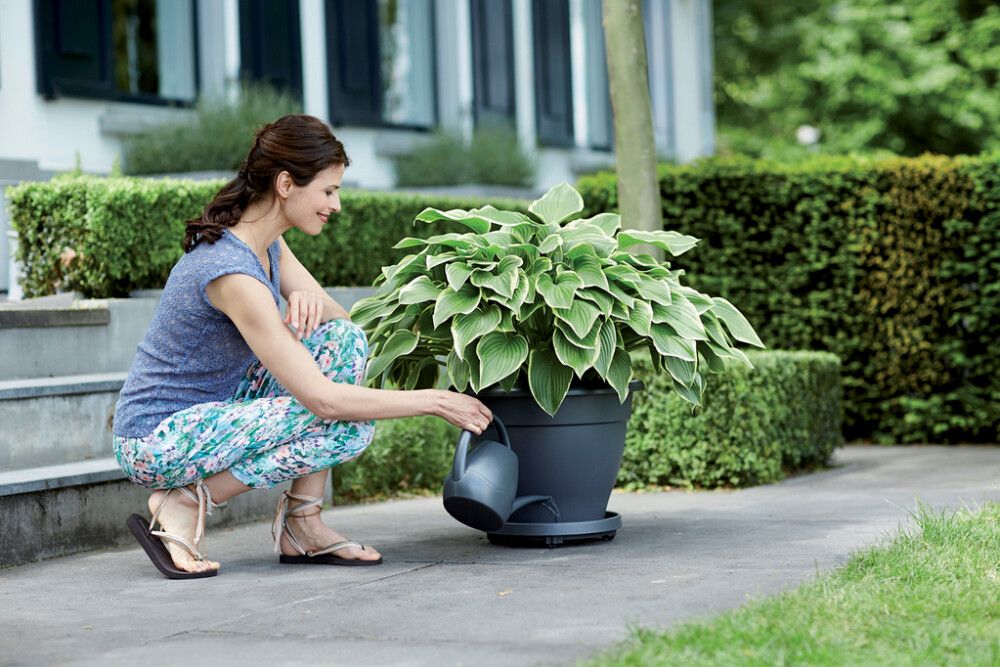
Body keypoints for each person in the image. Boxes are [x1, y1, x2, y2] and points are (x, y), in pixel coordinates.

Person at [112, 114, 492, 579]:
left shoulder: (268, 246)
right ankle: (189, 498)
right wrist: (434, 402)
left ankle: (302, 523)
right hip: (158, 438)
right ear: (287, 183)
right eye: (328, 191)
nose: (336, 205)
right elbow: (322, 398)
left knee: (343, 343)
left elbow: (343, 329)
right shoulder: (230, 271)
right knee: (349, 426)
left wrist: (309, 295)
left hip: (220, 409)